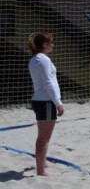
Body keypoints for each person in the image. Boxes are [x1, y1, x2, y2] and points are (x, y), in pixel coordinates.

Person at [27, 32, 65, 177]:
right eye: (51, 42)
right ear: (44, 44)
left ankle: (42, 163)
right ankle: (41, 170)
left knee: (44, 136)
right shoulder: (42, 60)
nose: (53, 45)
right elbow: (49, 83)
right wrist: (58, 103)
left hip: (40, 100)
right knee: (43, 137)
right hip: (45, 101)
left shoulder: (35, 59)